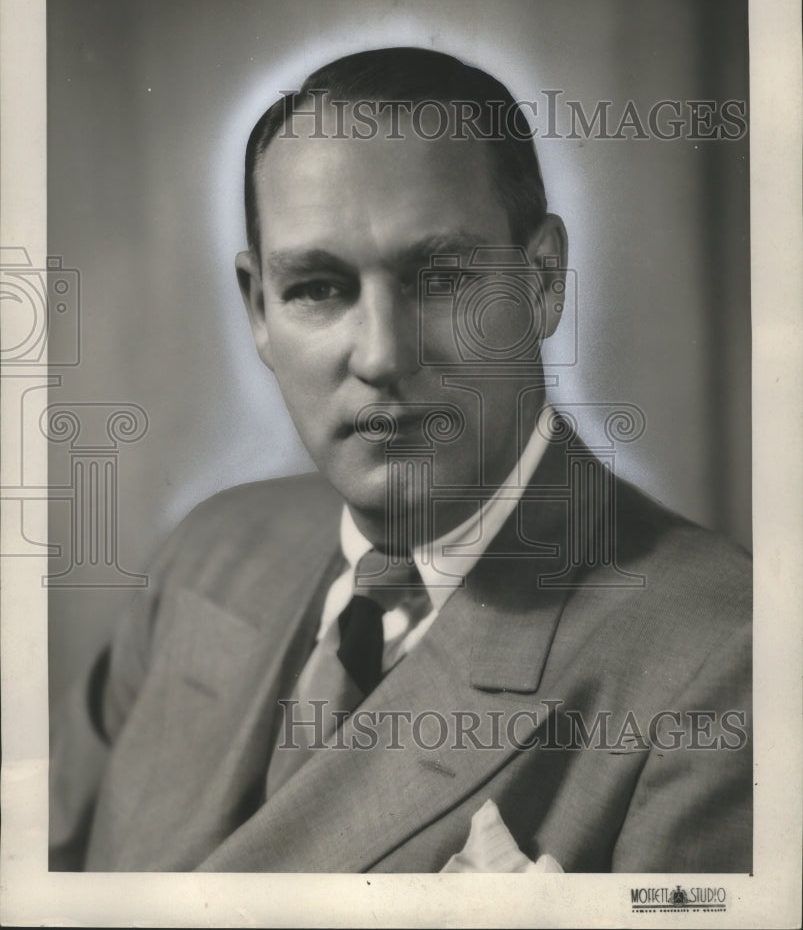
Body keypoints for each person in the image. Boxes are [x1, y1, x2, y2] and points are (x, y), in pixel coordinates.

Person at [49, 47, 751, 874]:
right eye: (318, 288)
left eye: (441, 278)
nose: (382, 355)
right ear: (259, 309)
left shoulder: (722, 658)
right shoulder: (208, 555)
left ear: (541, 280)